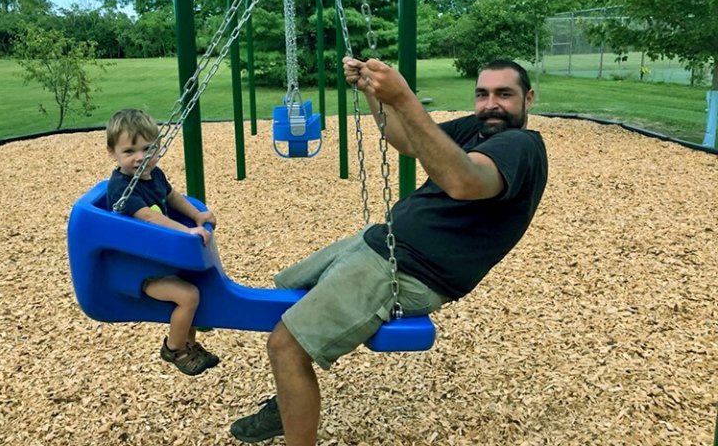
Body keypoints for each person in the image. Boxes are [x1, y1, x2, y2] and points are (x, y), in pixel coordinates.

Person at [230, 56, 548, 445]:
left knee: (286, 344)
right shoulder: (478, 129)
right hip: (383, 244)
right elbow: (405, 138)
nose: (490, 104)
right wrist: (372, 93)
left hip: (407, 272)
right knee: (285, 294)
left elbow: (464, 181)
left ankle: (291, 416)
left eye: (504, 94)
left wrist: (405, 97)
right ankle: (289, 403)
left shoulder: (520, 145)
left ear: (528, 99)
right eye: (482, 94)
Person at [105, 108, 220, 376]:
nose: (140, 157)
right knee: (188, 297)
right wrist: (186, 231)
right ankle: (175, 348)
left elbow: (173, 197)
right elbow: (146, 216)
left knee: (194, 287)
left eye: (148, 148)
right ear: (112, 153)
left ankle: (190, 343)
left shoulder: (154, 174)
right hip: (138, 270)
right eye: (129, 151)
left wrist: (197, 214)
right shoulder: (122, 188)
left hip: (159, 258)